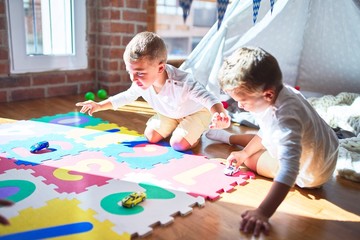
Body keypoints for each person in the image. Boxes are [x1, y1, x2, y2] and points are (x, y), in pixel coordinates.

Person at [206, 46, 339, 236]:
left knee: (251, 160)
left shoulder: (286, 119)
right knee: (251, 149)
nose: (240, 106)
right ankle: (230, 139)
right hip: (327, 151)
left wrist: (262, 212)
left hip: (311, 174)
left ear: (267, 94)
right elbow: (267, 130)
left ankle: (232, 141)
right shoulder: (281, 92)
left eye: (243, 101)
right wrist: (243, 152)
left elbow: (289, 169)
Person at [76, 31, 230, 151]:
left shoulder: (183, 82)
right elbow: (126, 97)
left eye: (140, 73)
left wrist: (219, 114)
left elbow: (208, 98)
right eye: (130, 72)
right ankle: (178, 127)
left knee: (178, 144)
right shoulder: (141, 81)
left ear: (160, 68)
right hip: (169, 113)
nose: (133, 78)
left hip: (195, 112)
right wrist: (99, 105)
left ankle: (196, 134)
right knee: (150, 136)